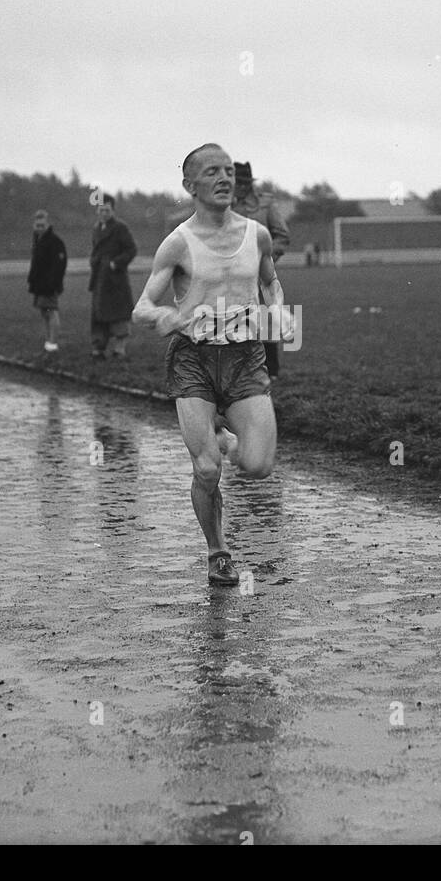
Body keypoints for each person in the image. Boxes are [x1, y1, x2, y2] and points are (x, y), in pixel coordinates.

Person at [132, 143, 289, 586]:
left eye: (228, 171)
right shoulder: (178, 243)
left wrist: (278, 310)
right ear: (190, 186)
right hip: (193, 361)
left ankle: (225, 438)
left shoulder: (256, 234)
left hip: (244, 360)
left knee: (258, 465)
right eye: (212, 173)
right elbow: (141, 306)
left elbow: (271, 282)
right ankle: (218, 551)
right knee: (206, 469)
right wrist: (165, 316)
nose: (225, 179)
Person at [232, 161, 290, 377]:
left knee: (265, 319)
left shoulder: (265, 205)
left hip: (260, 275)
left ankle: (271, 370)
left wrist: (266, 259)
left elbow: (282, 235)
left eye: (245, 183)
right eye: (237, 182)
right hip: (229, 274)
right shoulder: (221, 205)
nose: (241, 187)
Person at [88, 194, 137, 359]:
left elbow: (131, 250)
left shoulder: (120, 228)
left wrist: (115, 263)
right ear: (97, 210)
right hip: (99, 279)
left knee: (119, 316)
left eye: (107, 210)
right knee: (98, 315)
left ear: (113, 210)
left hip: (115, 280)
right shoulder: (96, 228)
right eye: (101, 210)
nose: (104, 213)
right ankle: (98, 349)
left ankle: (119, 349)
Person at [27, 209, 67, 353]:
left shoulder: (55, 242)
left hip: (49, 285)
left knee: (51, 312)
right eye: (37, 225)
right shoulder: (37, 241)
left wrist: (53, 283)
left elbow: (60, 265)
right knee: (44, 312)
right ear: (34, 225)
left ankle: (53, 343)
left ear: (47, 224)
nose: (39, 228)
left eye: (42, 225)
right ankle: (48, 340)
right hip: (39, 285)